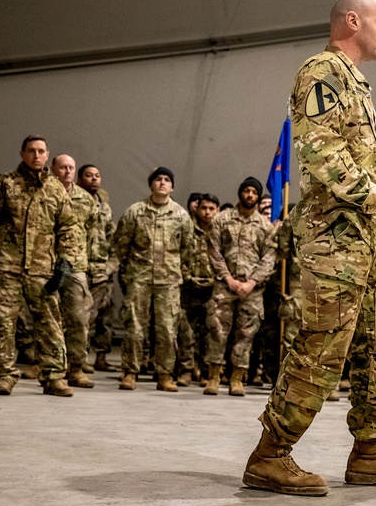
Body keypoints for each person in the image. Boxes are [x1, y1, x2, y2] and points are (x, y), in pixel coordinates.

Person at [244, 0, 376, 496]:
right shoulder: (320, 71)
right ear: (354, 21)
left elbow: (350, 162)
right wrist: (374, 192)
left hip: (367, 242)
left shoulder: (358, 83)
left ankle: (370, 453)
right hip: (335, 245)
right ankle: (270, 455)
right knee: (321, 349)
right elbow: (319, 150)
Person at [0, 135, 76, 396]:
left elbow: (68, 228)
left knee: (50, 324)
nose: (36, 155)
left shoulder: (55, 189)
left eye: (41, 151)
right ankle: (5, 375)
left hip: (42, 269)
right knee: (2, 324)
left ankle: (53, 376)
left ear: (47, 154)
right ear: (22, 154)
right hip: (7, 267)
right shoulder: (5, 184)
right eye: (31, 151)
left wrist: (65, 262)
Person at [110, 167, 194, 392]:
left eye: (167, 180)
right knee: (134, 327)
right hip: (139, 278)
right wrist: (130, 272)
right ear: (151, 185)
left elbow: (188, 248)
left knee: (167, 329)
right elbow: (121, 244)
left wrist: (175, 269)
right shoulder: (135, 212)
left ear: (172, 186)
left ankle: (164, 374)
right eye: (158, 179)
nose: (163, 183)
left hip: (169, 281)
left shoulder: (181, 215)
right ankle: (130, 372)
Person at [204, 177, 276, 396]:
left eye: (254, 192)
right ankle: (214, 376)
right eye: (246, 191)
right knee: (217, 330)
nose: (250, 195)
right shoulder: (222, 220)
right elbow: (214, 251)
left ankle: (237, 378)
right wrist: (228, 278)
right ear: (240, 193)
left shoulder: (265, 226)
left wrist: (251, 282)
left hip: (252, 289)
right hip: (225, 286)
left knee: (246, 334)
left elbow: (269, 258)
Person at [50, 155, 100, 389]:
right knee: (47, 319)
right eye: (63, 167)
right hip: (44, 263)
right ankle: (48, 366)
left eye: (71, 167)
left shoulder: (85, 199)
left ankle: (76, 368)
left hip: (76, 265)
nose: (68, 171)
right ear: (54, 169)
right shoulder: (45, 191)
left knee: (80, 319)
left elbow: (91, 232)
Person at [77, 164, 117, 372]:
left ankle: (99, 356)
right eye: (89, 176)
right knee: (80, 317)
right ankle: (76, 359)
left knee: (102, 317)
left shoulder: (104, 207)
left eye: (97, 176)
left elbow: (114, 238)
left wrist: (111, 265)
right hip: (79, 267)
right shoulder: (72, 201)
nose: (94, 179)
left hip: (101, 270)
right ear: (79, 179)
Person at [179, 193, 218, 389]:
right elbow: (178, 254)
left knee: (209, 333)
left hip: (213, 288)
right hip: (189, 287)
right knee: (186, 331)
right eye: (204, 208)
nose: (207, 212)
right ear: (197, 208)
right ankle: (186, 370)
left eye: (211, 209)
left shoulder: (221, 229)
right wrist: (187, 277)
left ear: (217, 210)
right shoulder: (187, 227)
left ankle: (204, 371)